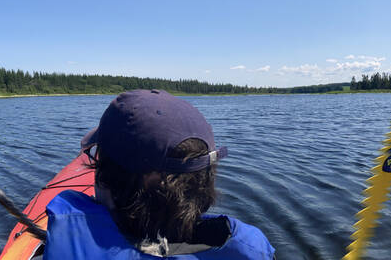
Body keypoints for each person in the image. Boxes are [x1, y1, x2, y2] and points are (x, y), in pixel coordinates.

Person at [42, 89, 276, 259]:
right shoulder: (252, 249)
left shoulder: (68, 237)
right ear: (205, 182)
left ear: (106, 179)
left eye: (98, 158)